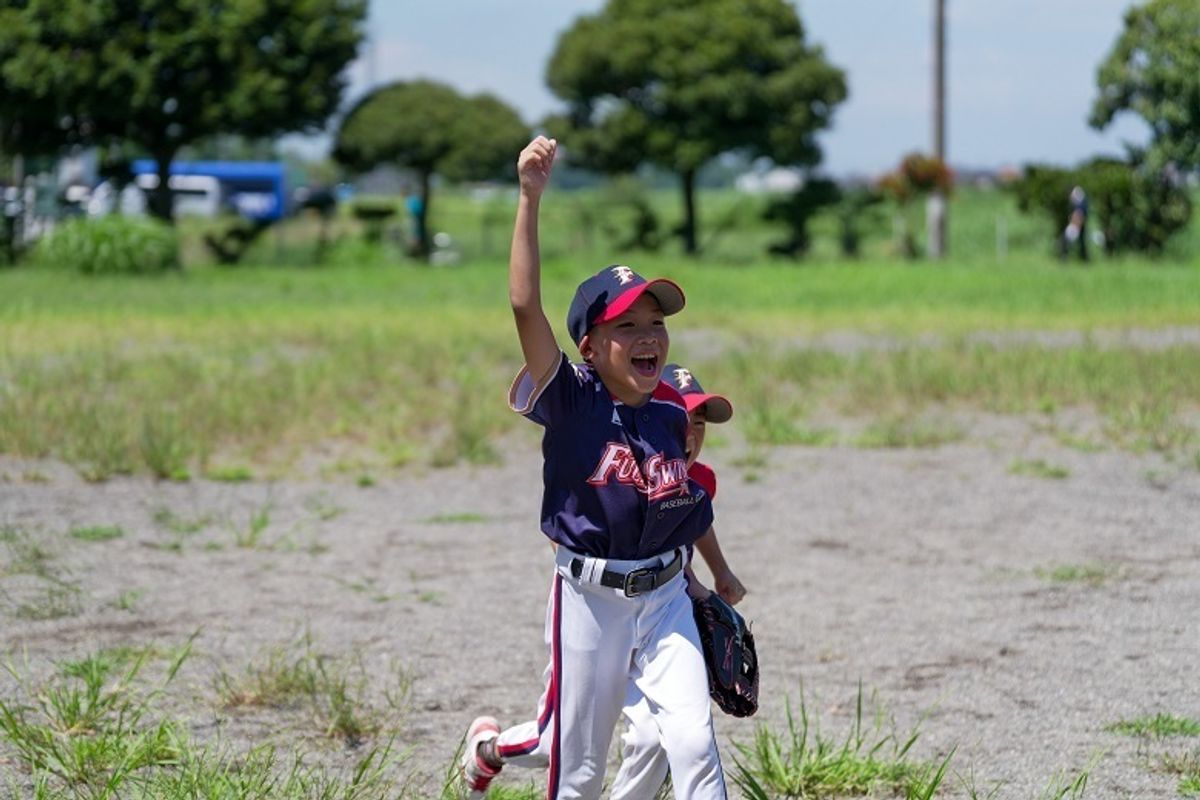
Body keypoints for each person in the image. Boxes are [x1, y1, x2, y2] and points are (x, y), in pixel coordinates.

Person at [461, 136, 727, 800]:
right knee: (575, 771)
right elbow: (524, 306)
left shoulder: (671, 411)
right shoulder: (573, 400)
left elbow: (680, 511)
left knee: (693, 744)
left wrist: (708, 586)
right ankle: (488, 751)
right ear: (589, 345)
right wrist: (529, 197)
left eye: (656, 322)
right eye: (626, 326)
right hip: (589, 602)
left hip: (664, 599)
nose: (648, 336)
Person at [610, 362, 746, 800]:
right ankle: (490, 750)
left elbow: (690, 526)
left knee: (657, 740)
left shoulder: (698, 479)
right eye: (682, 418)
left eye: (700, 422)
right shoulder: (623, 473)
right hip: (604, 615)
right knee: (551, 740)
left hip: (660, 616)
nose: (691, 434)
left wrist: (718, 573)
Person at [1061, 185, 1089, 262]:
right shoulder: (1080, 196)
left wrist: (1075, 223)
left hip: (1077, 223)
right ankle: (1084, 258)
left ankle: (1065, 257)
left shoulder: (1077, 196)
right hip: (1079, 222)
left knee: (1066, 240)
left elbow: (1079, 213)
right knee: (1082, 241)